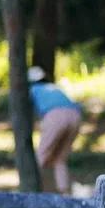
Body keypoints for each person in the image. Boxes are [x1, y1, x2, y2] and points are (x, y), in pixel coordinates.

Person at [27, 66, 81, 195]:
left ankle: (31, 191)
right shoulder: (54, 87)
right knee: (60, 158)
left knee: (41, 156)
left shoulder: (33, 89)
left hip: (54, 115)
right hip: (75, 115)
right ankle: (65, 193)